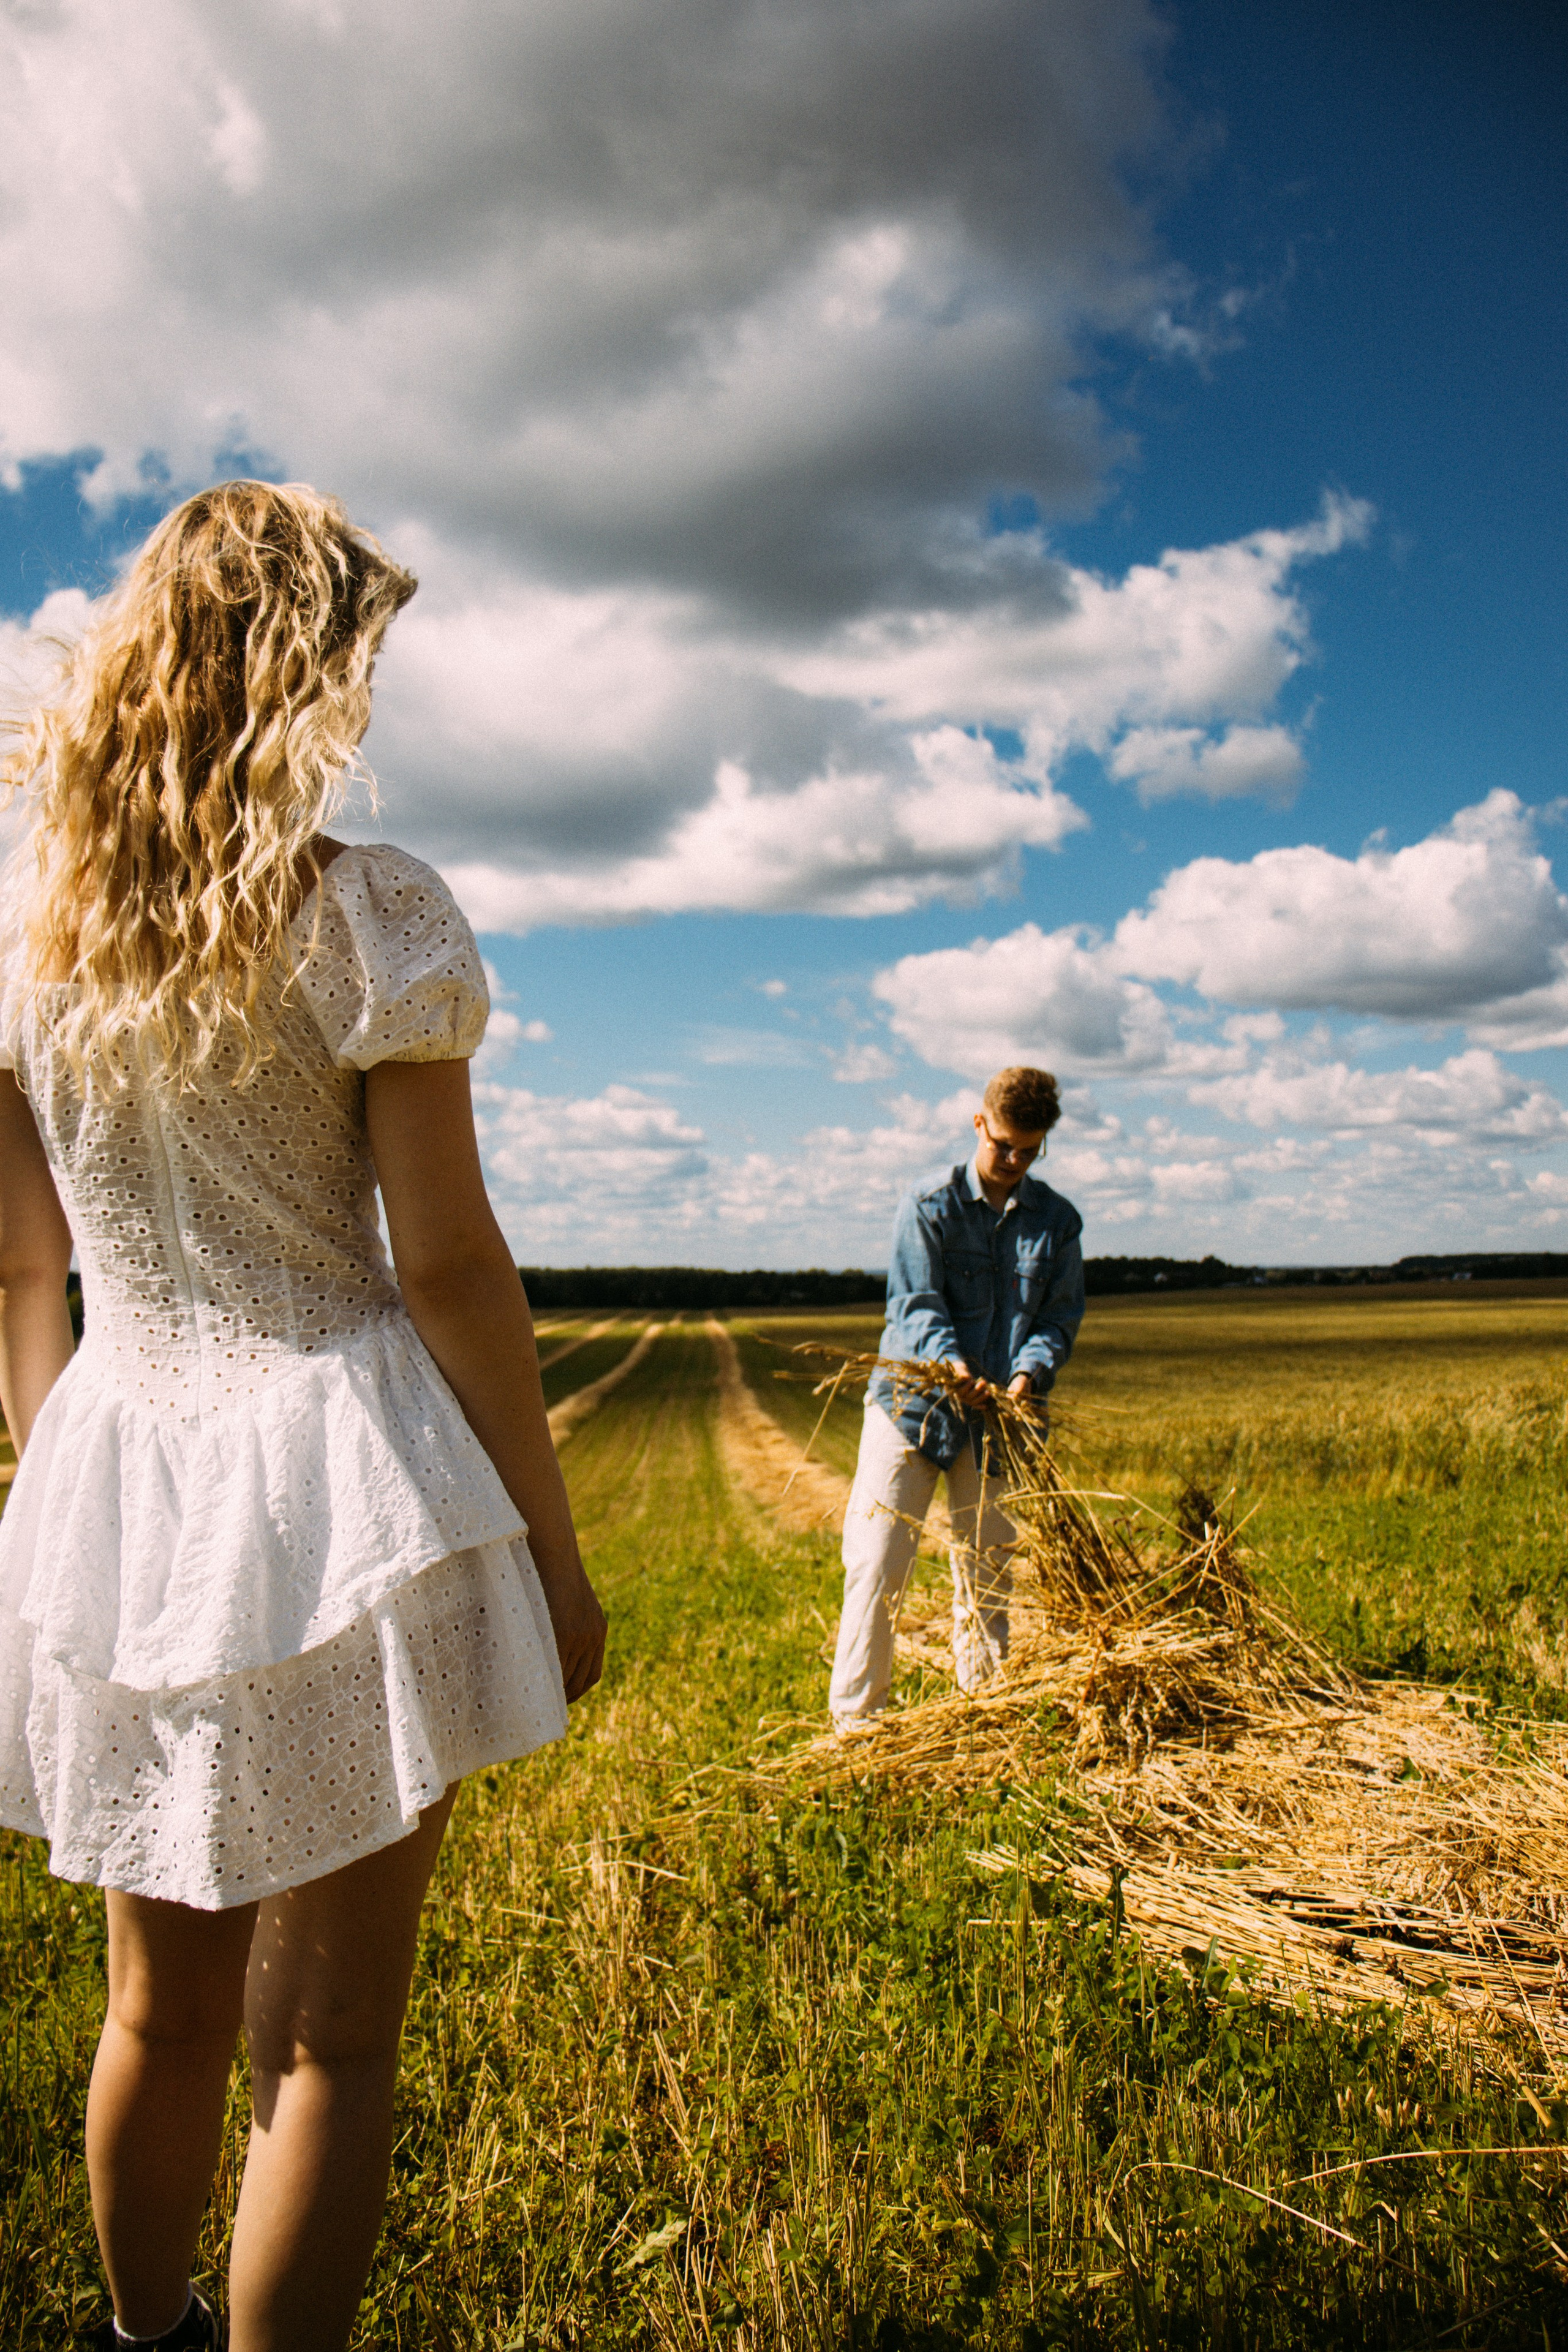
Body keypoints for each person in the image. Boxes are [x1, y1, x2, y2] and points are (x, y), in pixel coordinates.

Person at [0, 481, 606, 2352]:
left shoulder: (36, 937)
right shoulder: (371, 909)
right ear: (302, 668)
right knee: (331, 2036)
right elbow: (441, 1269)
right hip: (345, 1475)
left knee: (153, 2011)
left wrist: (57, 1499)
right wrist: (550, 1554)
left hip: (112, 1460)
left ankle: (144, 2338)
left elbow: (25, 1281)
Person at [828, 1066, 1084, 1727]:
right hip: (911, 1406)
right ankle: (856, 1728)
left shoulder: (1058, 1222)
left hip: (1001, 1421)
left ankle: (983, 1720)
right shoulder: (926, 1204)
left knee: (988, 1575)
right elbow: (914, 1306)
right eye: (1004, 1145)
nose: (1014, 1161)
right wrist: (952, 1367)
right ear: (979, 1124)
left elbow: (1058, 1318)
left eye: (1030, 1150)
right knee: (876, 1565)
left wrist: (1029, 1375)